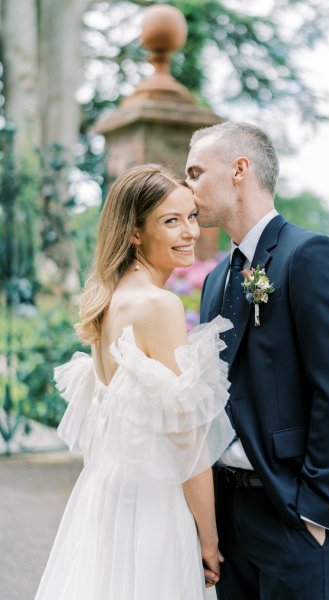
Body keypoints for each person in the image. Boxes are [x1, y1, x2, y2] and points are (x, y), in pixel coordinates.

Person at [34, 164, 235, 600]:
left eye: (191, 217)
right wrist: (209, 538)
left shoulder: (109, 300)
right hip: (153, 502)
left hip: (107, 494)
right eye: (171, 220)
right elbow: (186, 439)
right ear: (135, 233)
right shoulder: (157, 305)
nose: (190, 232)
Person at [185, 122, 329, 600]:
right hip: (228, 516)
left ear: (240, 170)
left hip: (292, 514)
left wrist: (315, 512)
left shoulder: (309, 255)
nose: (187, 188)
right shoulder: (216, 278)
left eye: (196, 173)